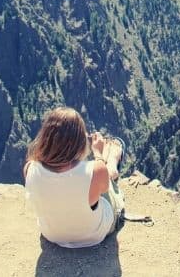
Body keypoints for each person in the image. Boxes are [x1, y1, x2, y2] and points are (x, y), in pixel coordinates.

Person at [23, 106, 125, 248]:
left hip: (52, 235)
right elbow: (104, 189)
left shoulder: (30, 169)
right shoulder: (95, 171)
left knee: (94, 180)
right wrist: (99, 155)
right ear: (78, 142)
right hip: (94, 234)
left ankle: (107, 167)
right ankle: (112, 162)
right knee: (107, 181)